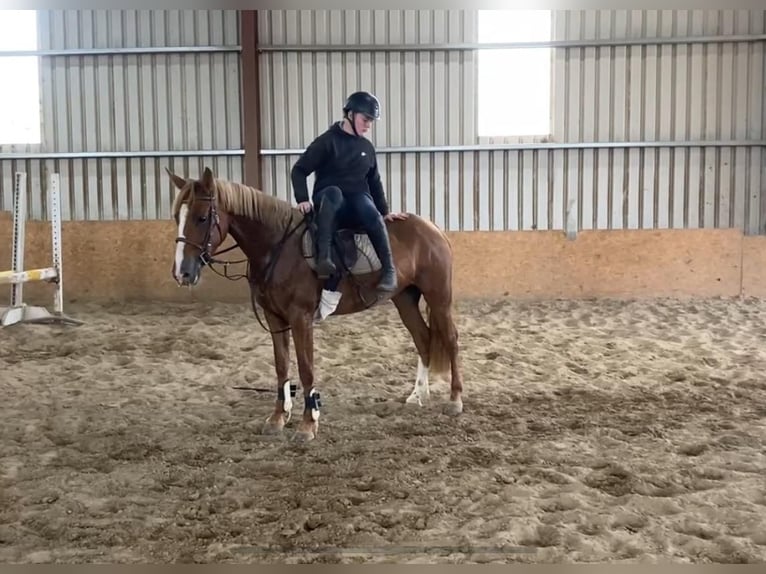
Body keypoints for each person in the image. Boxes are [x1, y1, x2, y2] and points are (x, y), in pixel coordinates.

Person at [290, 91, 407, 319]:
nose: (368, 126)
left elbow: (374, 182)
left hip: (355, 202)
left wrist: (384, 211)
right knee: (334, 194)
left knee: (369, 209)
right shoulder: (327, 141)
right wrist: (302, 198)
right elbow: (299, 170)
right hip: (329, 202)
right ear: (351, 115)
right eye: (365, 120)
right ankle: (324, 258)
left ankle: (389, 271)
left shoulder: (367, 148)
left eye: (371, 122)